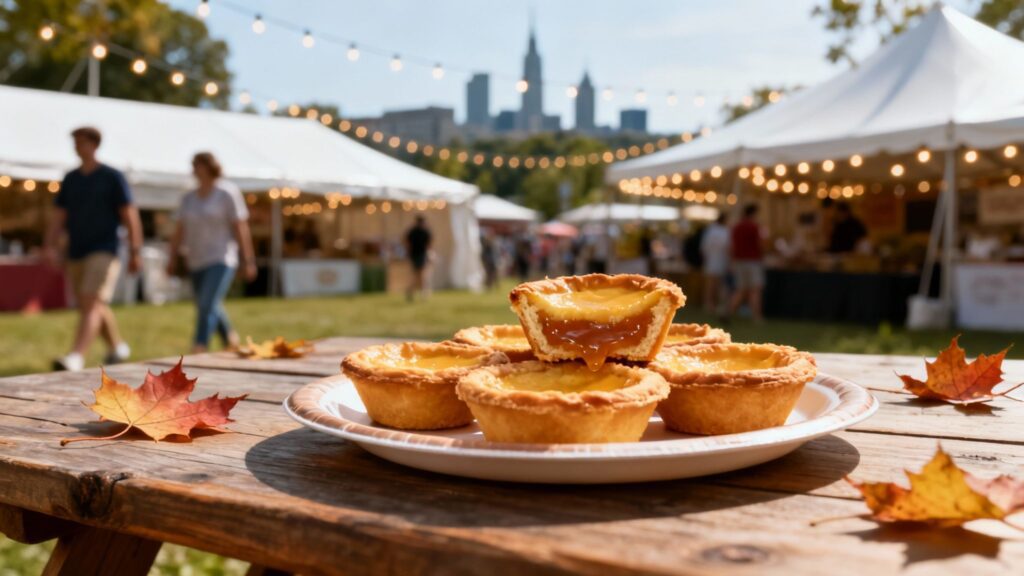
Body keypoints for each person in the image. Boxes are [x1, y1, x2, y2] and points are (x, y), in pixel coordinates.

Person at [44, 127, 142, 371]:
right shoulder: (71, 179)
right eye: (75, 142)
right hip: (77, 250)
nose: (77, 147)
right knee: (92, 304)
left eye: (81, 142)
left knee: (90, 300)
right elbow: (59, 215)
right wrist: (50, 245)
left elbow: (129, 214)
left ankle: (75, 357)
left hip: (105, 249)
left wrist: (135, 250)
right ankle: (117, 347)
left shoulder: (112, 177)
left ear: (94, 144)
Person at [166, 152, 256, 352]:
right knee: (208, 303)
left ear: (209, 167)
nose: (195, 169)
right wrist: (172, 257)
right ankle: (229, 338)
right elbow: (179, 229)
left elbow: (240, 227)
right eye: (194, 165)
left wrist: (247, 259)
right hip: (196, 258)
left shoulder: (226, 193)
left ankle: (199, 346)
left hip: (221, 257)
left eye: (199, 165)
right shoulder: (189, 198)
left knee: (206, 303)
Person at [729, 204, 765, 322]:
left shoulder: (737, 227)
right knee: (755, 289)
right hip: (752, 261)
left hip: (739, 261)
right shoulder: (754, 227)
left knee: (741, 289)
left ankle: (728, 312)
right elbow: (760, 244)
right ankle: (757, 317)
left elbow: (732, 246)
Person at [700, 214, 731, 316]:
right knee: (714, 283)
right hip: (717, 259)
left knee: (713, 283)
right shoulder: (722, 231)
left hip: (714, 259)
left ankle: (711, 303)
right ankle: (711, 303)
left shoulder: (712, 230)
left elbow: (704, 247)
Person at [405, 215, 433, 301]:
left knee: (418, 275)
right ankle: (422, 293)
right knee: (421, 275)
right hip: (420, 255)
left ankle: (413, 291)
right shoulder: (424, 231)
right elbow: (429, 245)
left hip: (416, 255)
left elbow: (406, 242)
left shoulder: (413, 231)